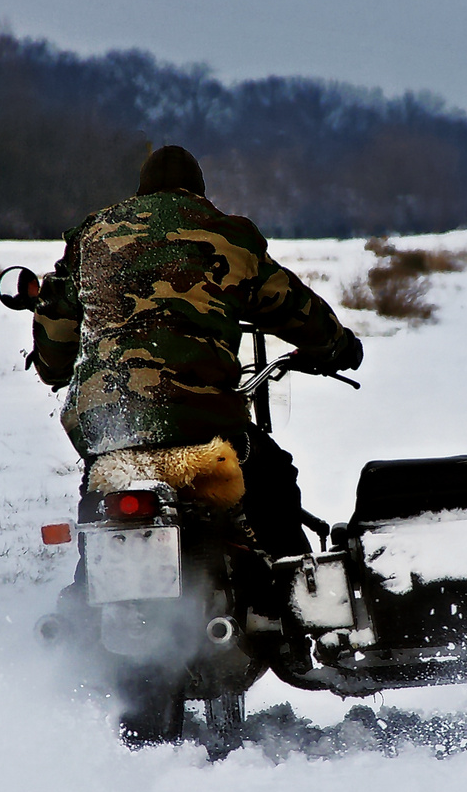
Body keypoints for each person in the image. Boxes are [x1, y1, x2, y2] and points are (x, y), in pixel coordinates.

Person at [24, 144, 362, 574]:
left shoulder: (92, 236)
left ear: (141, 192)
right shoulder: (227, 234)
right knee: (273, 480)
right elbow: (295, 309)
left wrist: (52, 366)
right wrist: (337, 347)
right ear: (197, 193)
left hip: (111, 427)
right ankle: (295, 599)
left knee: (100, 511)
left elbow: (55, 334)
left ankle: (84, 602)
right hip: (205, 424)